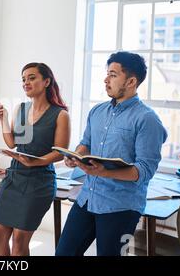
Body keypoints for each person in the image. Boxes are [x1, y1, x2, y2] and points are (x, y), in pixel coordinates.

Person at [55, 51, 167, 256]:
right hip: (87, 199)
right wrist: (75, 156)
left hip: (121, 208)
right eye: (107, 73)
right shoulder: (97, 111)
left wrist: (103, 172)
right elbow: (85, 144)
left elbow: (144, 171)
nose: (106, 79)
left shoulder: (148, 119)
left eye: (113, 75)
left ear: (131, 81)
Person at [0, 62, 71, 256]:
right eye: (24, 79)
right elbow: (11, 143)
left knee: (20, 239)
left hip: (39, 181)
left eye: (32, 78)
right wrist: (3, 120)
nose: (26, 82)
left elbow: (60, 152)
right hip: (14, 178)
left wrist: (35, 162)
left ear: (46, 81)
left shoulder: (60, 115)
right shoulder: (21, 109)